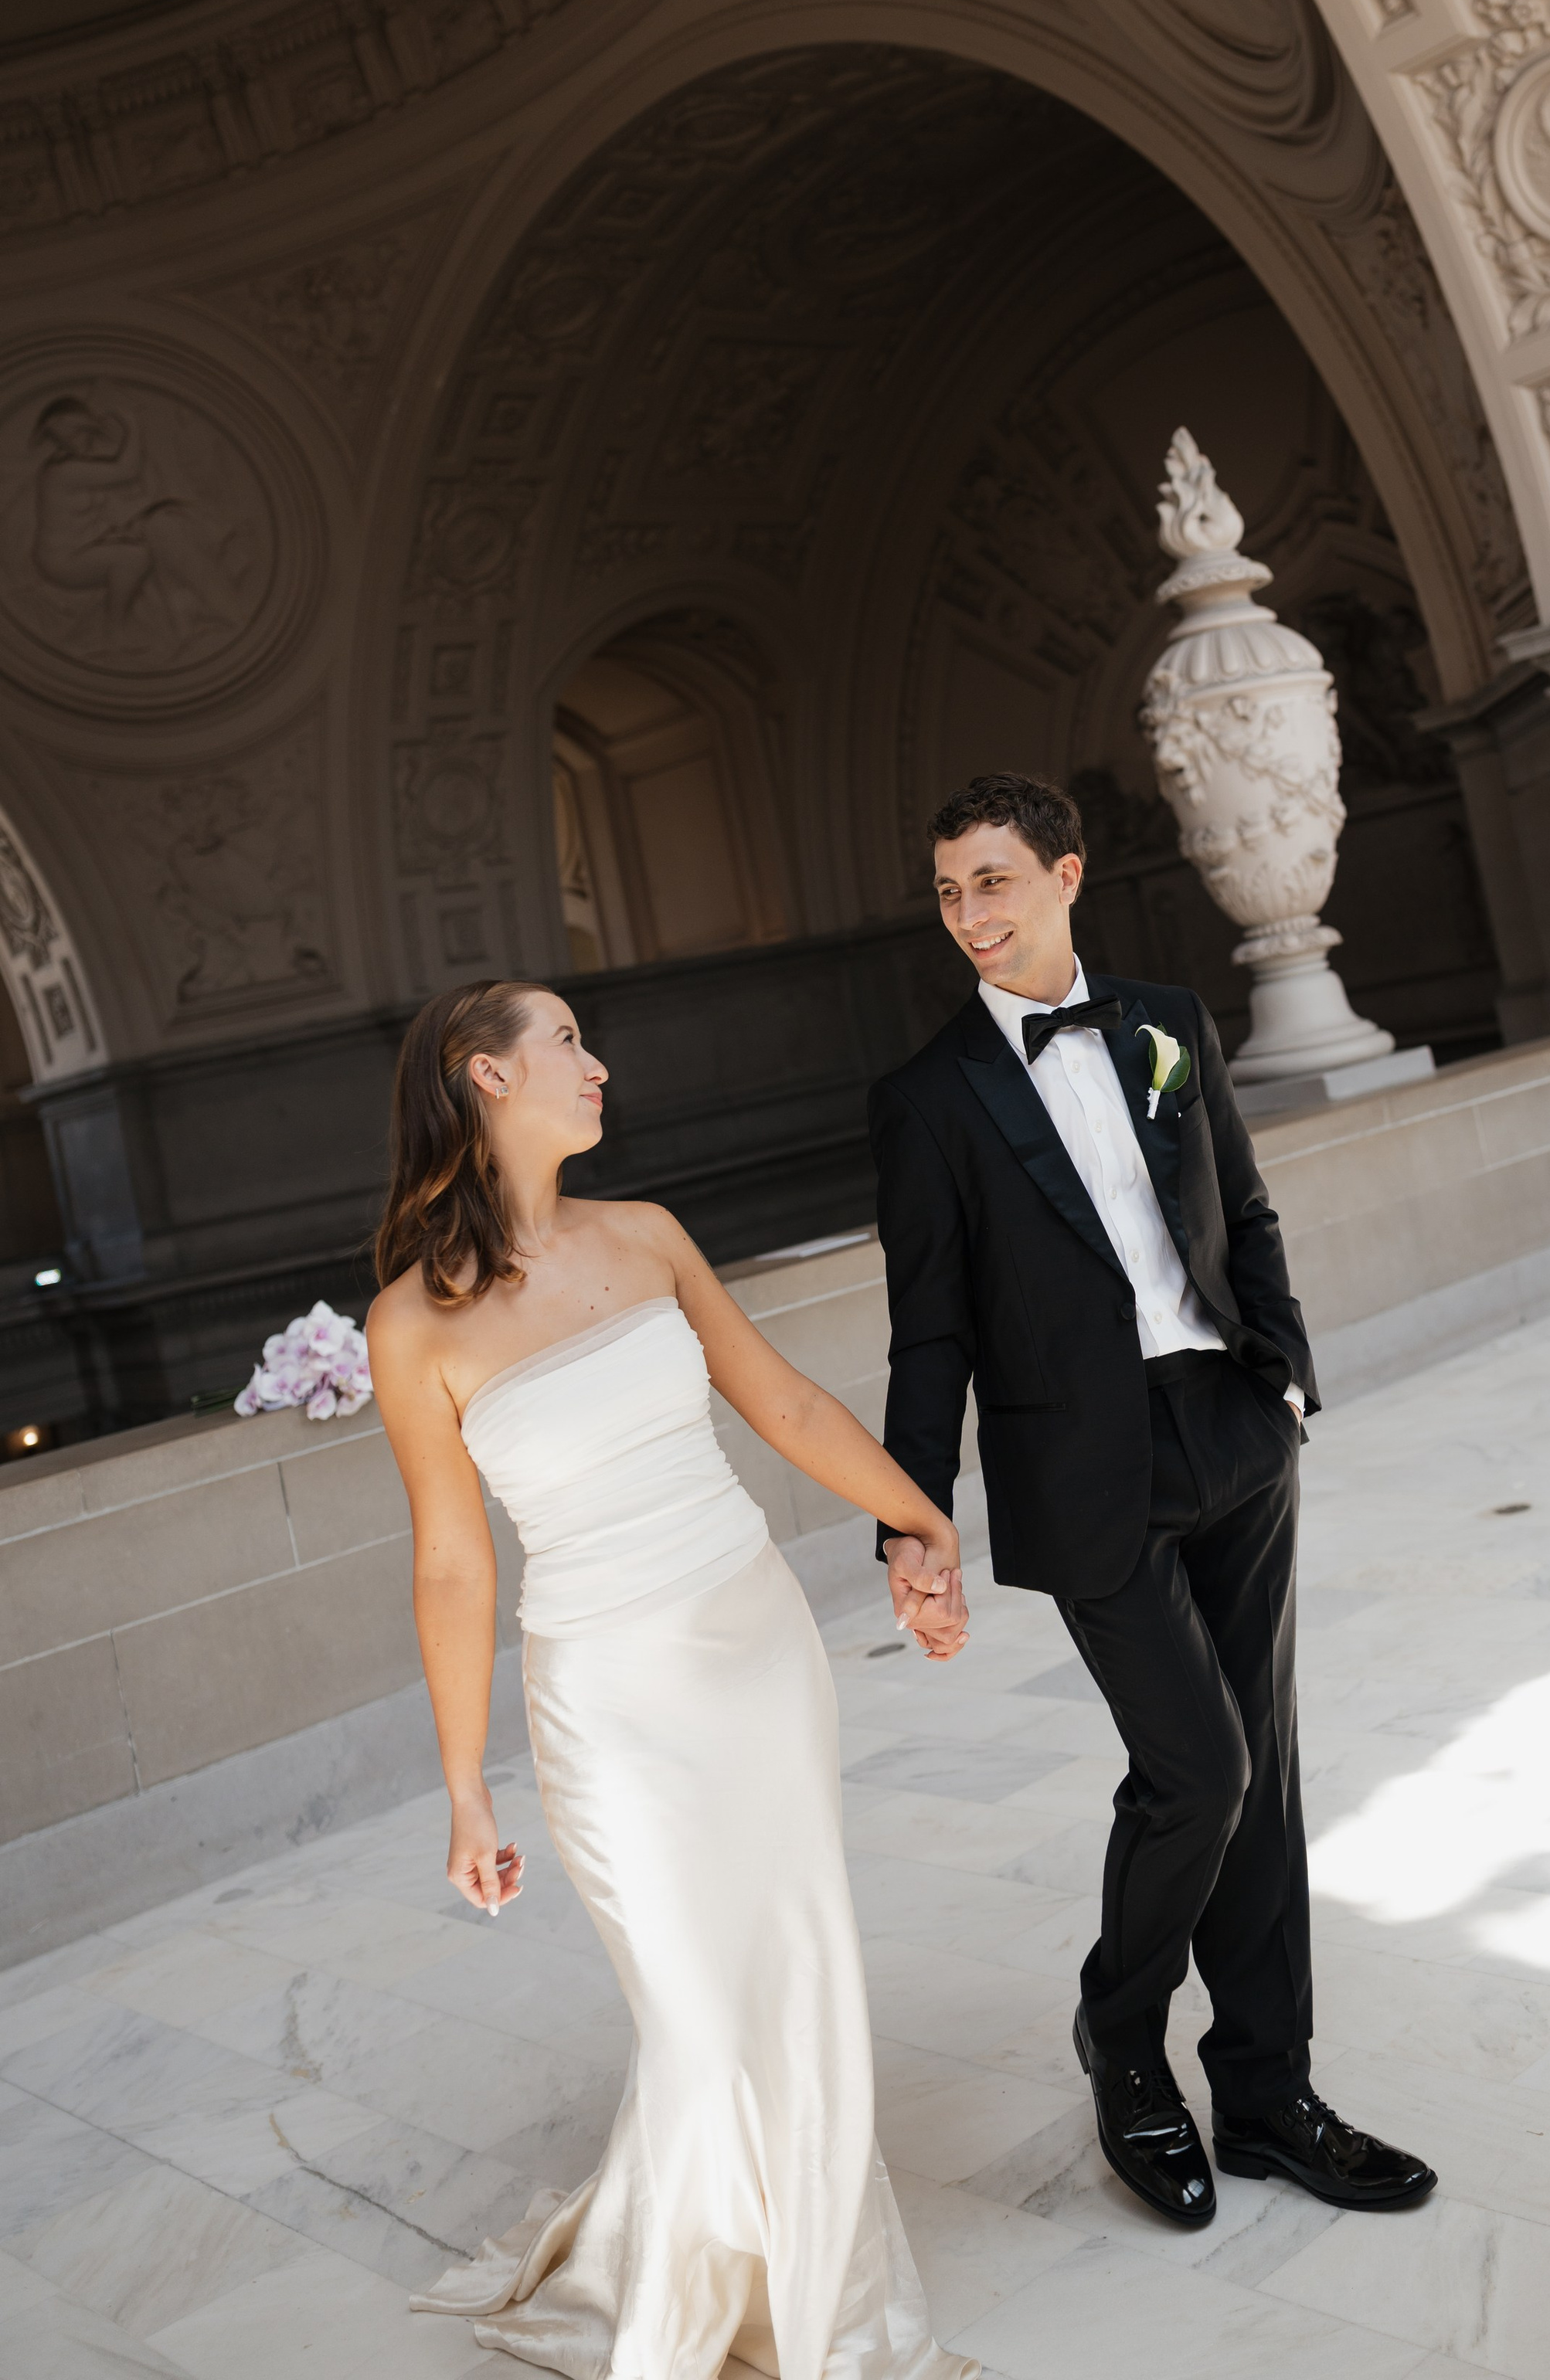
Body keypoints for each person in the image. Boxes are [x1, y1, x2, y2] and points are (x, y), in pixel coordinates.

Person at [365, 979, 978, 2380]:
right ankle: (690, 2306)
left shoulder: (646, 1239)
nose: (597, 1063)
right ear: (484, 1076)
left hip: (753, 1648)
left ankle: (820, 2298)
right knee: (697, 2012)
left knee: (797, 1964)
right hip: (608, 1698)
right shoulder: (414, 1325)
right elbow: (455, 1566)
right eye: (566, 1042)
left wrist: (916, 1517)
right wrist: (465, 1788)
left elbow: (785, 1404)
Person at [870, 772, 1435, 2229]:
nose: (968, 914)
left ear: (1064, 877)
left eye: (992, 881)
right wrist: (909, 1517)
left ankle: (1267, 2096)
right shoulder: (927, 1100)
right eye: (948, 891)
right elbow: (928, 1332)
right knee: (1200, 1771)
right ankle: (1122, 2042)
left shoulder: (1169, 1023)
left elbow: (1240, 1212)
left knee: (1267, 1774)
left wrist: (1287, 1379)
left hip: (1234, 1431)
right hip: (1081, 1473)